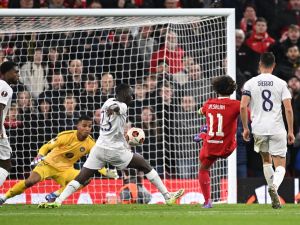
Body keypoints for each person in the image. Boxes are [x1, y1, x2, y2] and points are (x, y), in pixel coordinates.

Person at [41, 83, 184, 208]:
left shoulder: (108, 101)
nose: (132, 97)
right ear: (124, 94)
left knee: (81, 177)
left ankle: (58, 200)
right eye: (130, 94)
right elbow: (117, 108)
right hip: (114, 150)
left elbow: (112, 108)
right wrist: (115, 109)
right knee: (144, 165)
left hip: (99, 148)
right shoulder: (122, 106)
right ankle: (167, 196)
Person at [0, 115, 118, 206]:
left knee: (86, 178)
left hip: (65, 170)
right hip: (48, 164)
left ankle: (54, 195)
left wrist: (105, 172)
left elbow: (96, 160)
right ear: (77, 126)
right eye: (84, 125)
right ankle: (4, 197)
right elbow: (46, 147)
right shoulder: (66, 136)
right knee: (30, 181)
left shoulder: (91, 143)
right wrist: (40, 155)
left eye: (89, 126)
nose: (87, 129)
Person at [240, 52, 295, 209]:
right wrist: (290, 131)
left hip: (258, 129)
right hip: (277, 128)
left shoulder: (250, 83)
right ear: (274, 65)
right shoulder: (281, 83)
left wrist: (245, 128)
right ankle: (274, 187)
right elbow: (288, 109)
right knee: (280, 166)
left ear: (260, 64)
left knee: (266, 161)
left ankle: (274, 197)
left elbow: (243, 106)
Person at [196, 75, 240, 208]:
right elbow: (248, 114)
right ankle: (205, 132)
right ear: (233, 89)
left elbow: (200, 111)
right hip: (227, 147)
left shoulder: (209, 103)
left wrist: (202, 111)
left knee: (203, 169)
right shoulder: (236, 105)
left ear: (216, 89)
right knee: (233, 134)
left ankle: (207, 201)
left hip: (210, 146)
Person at [0, 61, 19, 189]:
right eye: (15, 72)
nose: (17, 75)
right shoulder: (5, 86)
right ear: (5, 73)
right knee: (6, 164)